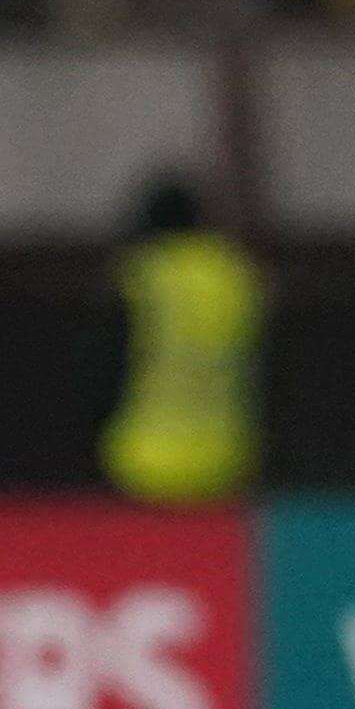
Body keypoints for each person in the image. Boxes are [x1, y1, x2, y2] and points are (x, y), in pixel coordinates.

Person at [100, 176, 260, 505]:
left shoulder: (141, 274)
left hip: (139, 461)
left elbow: (102, 367)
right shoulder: (235, 273)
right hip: (228, 458)